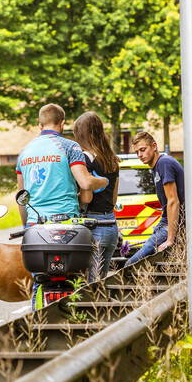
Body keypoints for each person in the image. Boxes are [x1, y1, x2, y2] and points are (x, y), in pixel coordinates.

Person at [15, 103, 108, 226]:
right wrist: (104, 181)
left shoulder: (24, 152)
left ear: (40, 125)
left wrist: (25, 227)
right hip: (66, 221)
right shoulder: (70, 147)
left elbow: (22, 196)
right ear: (62, 123)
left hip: (34, 223)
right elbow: (85, 183)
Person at [124, 131, 185, 267]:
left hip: (175, 223)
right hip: (164, 222)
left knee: (131, 264)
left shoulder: (164, 163)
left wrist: (170, 239)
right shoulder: (156, 167)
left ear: (154, 146)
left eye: (143, 150)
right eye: (137, 152)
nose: (140, 155)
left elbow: (173, 201)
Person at [73, 111, 120, 281]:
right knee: (100, 284)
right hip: (111, 226)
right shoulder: (113, 159)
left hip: (93, 226)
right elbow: (114, 199)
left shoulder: (84, 158)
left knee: (89, 288)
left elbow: (87, 198)